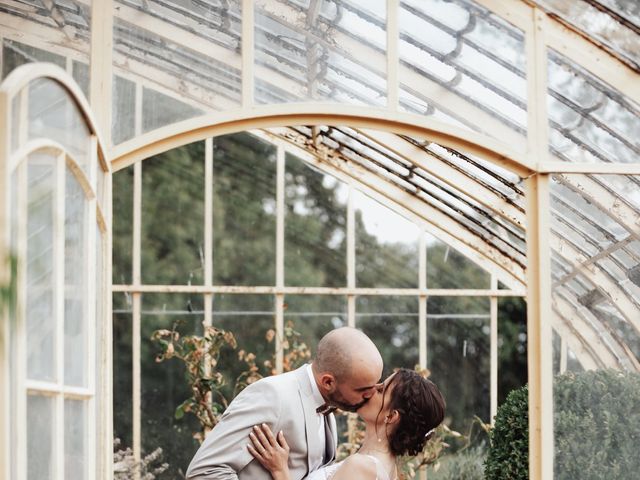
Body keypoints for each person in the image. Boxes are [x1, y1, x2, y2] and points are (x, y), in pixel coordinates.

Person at [186, 327, 384, 479]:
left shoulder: (328, 409)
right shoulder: (272, 396)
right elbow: (205, 471)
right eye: (362, 390)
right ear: (328, 382)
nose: (369, 396)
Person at [247, 368, 445, 480]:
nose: (372, 388)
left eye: (382, 389)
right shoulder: (387, 468)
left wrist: (280, 470)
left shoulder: (362, 467)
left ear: (391, 416)